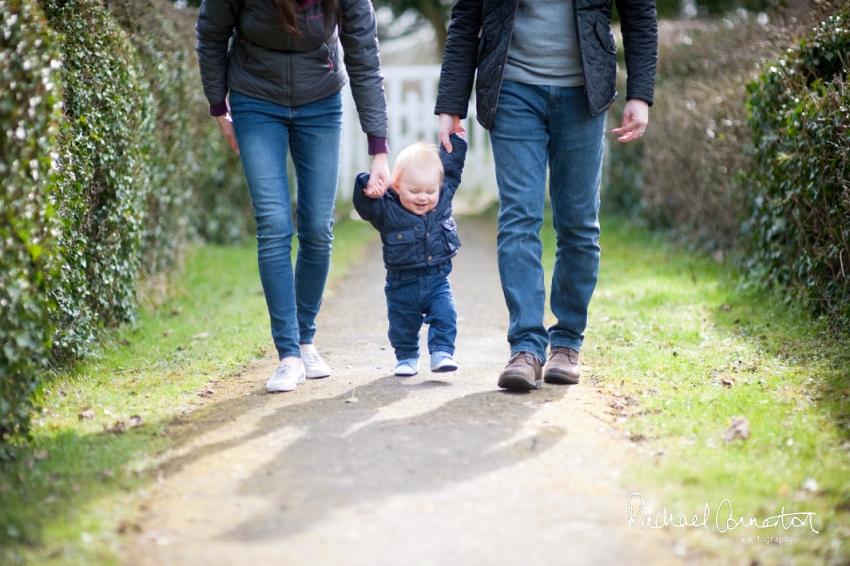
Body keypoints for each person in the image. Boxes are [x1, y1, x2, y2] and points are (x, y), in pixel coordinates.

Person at [435, 0, 657, 390]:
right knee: (519, 217)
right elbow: (467, 16)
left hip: (584, 90)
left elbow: (639, 12)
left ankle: (567, 343)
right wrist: (451, 104)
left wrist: (640, 93)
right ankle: (525, 348)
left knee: (579, 224)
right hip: (512, 89)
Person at [196, 0, 392, 393]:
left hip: (320, 99)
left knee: (317, 226)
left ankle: (305, 341)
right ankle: (287, 353)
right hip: (255, 99)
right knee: (273, 223)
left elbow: (364, 56)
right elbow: (211, 33)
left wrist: (379, 148)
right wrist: (220, 108)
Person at [352, 134, 468, 376]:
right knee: (402, 324)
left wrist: (454, 141)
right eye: (414, 191)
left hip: (437, 279)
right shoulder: (387, 209)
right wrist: (367, 185)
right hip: (401, 283)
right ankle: (406, 357)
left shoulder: (443, 200)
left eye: (429, 191)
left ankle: (442, 352)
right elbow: (365, 206)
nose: (423, 197)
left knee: (446, 315)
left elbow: (453, 171)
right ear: (396, 186)